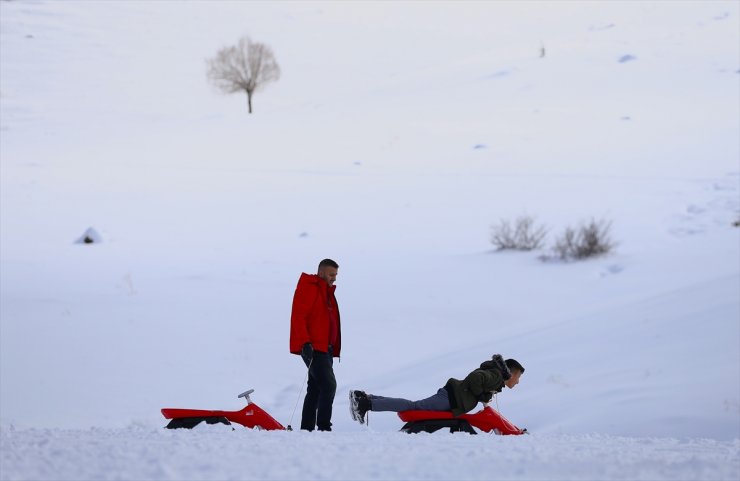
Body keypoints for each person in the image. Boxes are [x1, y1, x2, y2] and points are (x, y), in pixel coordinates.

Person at [349, 355, 524, 424]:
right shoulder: (496, 375)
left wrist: (481, 395)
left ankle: (364, 397)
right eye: (518, 377)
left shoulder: (496, 376)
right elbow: (475, 377)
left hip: (451, 396)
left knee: (413, 405)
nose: (517, 382)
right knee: (413, 407)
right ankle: (366, 404)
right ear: (513, 373)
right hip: (451, 398)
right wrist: (480, 395)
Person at [289, 259, 341, 431]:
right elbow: (298, 315)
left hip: (326, 348)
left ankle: (306, 429)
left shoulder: (325, 291)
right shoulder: (309, 287)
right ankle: (324, 427)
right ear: (321, 272)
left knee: (316, 389)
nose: (334, 278)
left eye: (335, 275)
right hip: (313, 347)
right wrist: (305, 342)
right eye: (331, 274)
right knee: (328, 385)